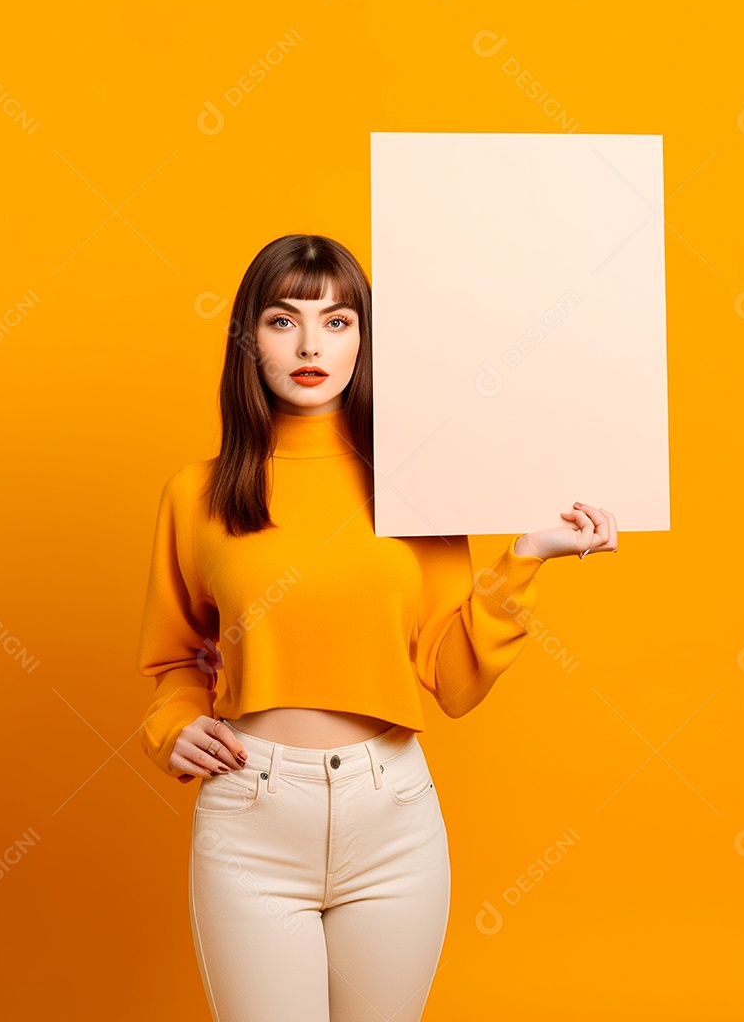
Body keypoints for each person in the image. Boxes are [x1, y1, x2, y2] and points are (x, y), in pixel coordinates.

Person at [136, 234, 618, 1022]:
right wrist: (173, 726)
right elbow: (173, 663)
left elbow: (455, 685)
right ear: (247, 341)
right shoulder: (196, 495)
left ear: (365, 338)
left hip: (392, 815)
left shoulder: (418, 486)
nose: (311, 344)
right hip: (251, 817)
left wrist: (527, 556)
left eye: (338, 321)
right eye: (282, 321)